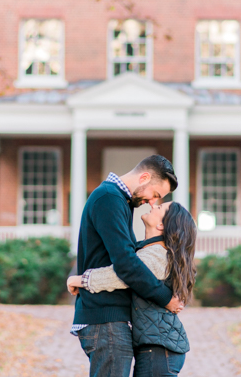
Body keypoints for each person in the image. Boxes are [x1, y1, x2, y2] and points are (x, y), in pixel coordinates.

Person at [71, 154, 184, 377]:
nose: (153, 202)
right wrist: (165, 297)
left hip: (110, 319)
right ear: (144, 177)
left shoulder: (119, 200)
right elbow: (126, 264)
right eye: (155, 195)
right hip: (106, 319)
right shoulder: (109, 198)